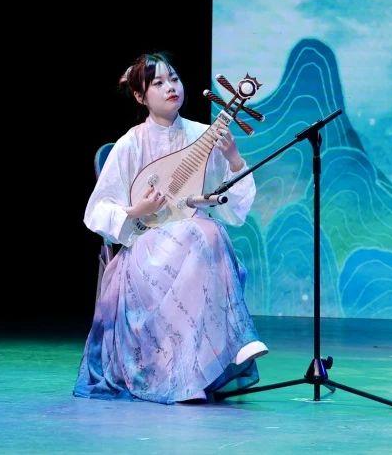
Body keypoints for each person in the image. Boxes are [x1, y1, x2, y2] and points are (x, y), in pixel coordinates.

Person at [73, 52, 266, 403]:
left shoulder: (203, 135)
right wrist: (138, 210)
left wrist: (234, 159)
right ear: (140, 96)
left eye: (174, 79)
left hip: (195, 242)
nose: (170, 87)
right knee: (206, 232)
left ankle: (199, 371)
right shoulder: (131, 143)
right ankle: (234, 339)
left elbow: (232, 208)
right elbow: (97, 211)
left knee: (207, 229)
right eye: (158, 83)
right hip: (146, 250)